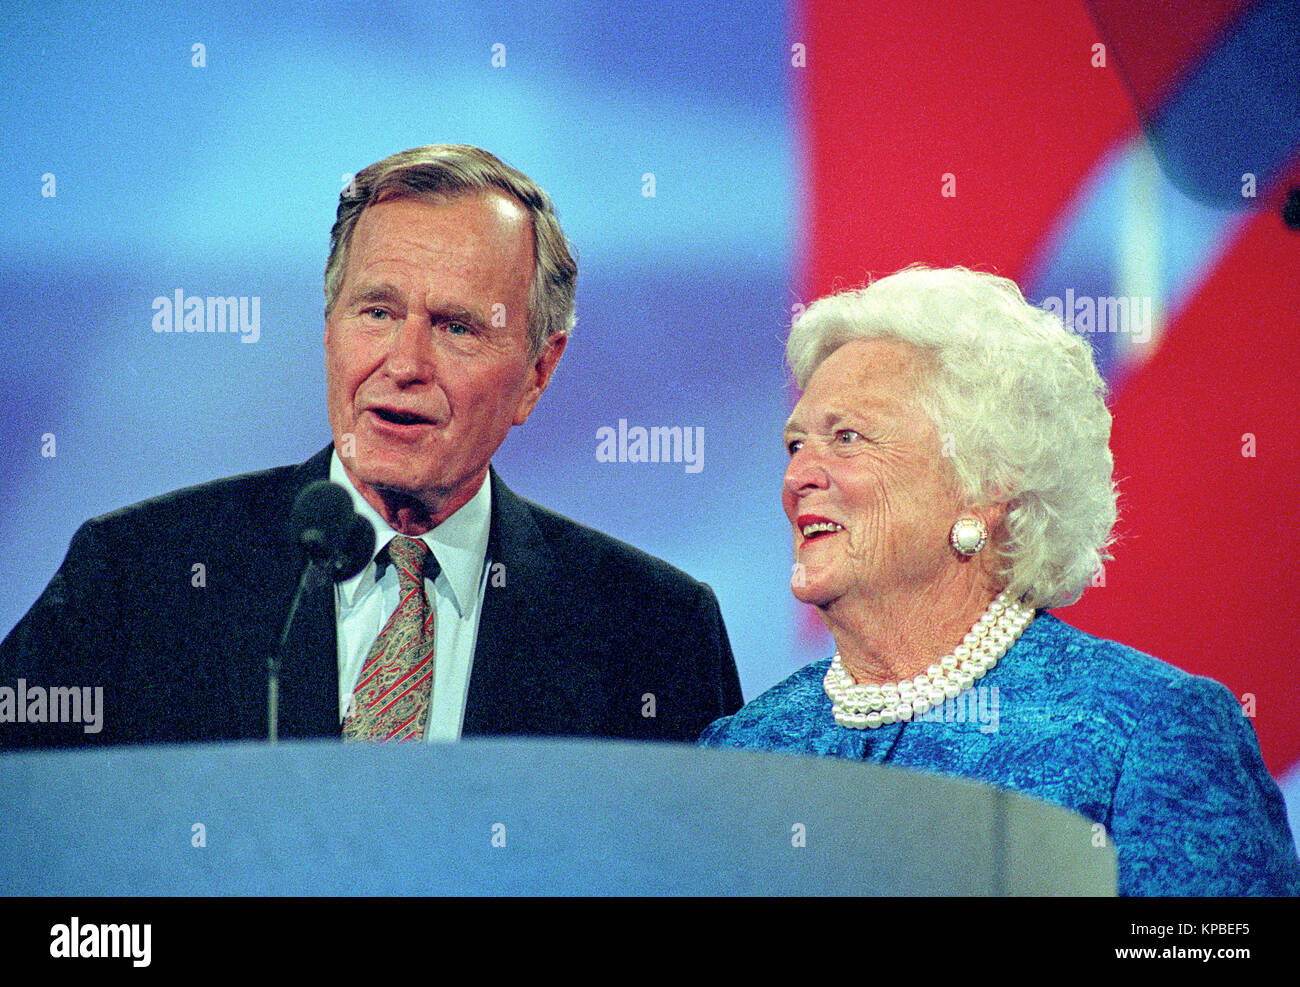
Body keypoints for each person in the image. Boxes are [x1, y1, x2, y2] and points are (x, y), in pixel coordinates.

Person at [0, 144, 742, 748]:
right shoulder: (137, 578)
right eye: (377, 310)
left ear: (538, 373)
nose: (406, 362)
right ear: (328, 332)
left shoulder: (657, 631)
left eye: (456, 326)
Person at [699, 265, 1300, 896]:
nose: (799, 479)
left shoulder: (1146, 733)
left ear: (986, 484)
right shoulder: (745, 750)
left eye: (847, 438)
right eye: (795, 445)